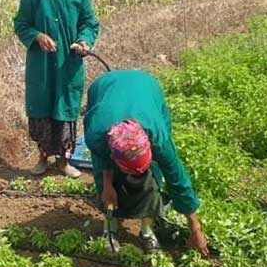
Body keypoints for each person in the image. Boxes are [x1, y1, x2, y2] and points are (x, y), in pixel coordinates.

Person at [84, 70, 209, 256]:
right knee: (106, 185)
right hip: (104, 87)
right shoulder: (97, 133)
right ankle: (110, 227)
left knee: (154, 175)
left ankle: (147, 230)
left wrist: (195, 228)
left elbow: (177, 178)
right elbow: (102, 159)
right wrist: (108, 186)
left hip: (146, 87)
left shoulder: (158, 137)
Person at [14, 0, 100, 179]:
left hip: (68, 64)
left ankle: (64, 161)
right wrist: (36, 36)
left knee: (66, 108)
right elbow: (21, 24)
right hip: (41, 66)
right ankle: (43, 157)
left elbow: (90, 23)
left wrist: (84, 40)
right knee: (42, 108)